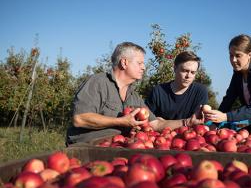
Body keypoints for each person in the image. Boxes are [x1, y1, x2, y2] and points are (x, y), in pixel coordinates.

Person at [66, 42, 204, 145]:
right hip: (89, 147)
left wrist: (187, 122)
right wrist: (121, 122)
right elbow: (80, 119)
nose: (144, 67)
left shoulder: (133, 96)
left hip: (120, 145)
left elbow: (155, 124)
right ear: (124, 63)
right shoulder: (98, 82)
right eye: (139, 63)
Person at [145, 51, 208, 120]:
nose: (188, 76)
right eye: (185, 71)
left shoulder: (200, 91)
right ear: (175, 68)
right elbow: (146, 119)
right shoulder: (158, 91)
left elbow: (198, 121)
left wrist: (164, 123)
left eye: (193, 72)